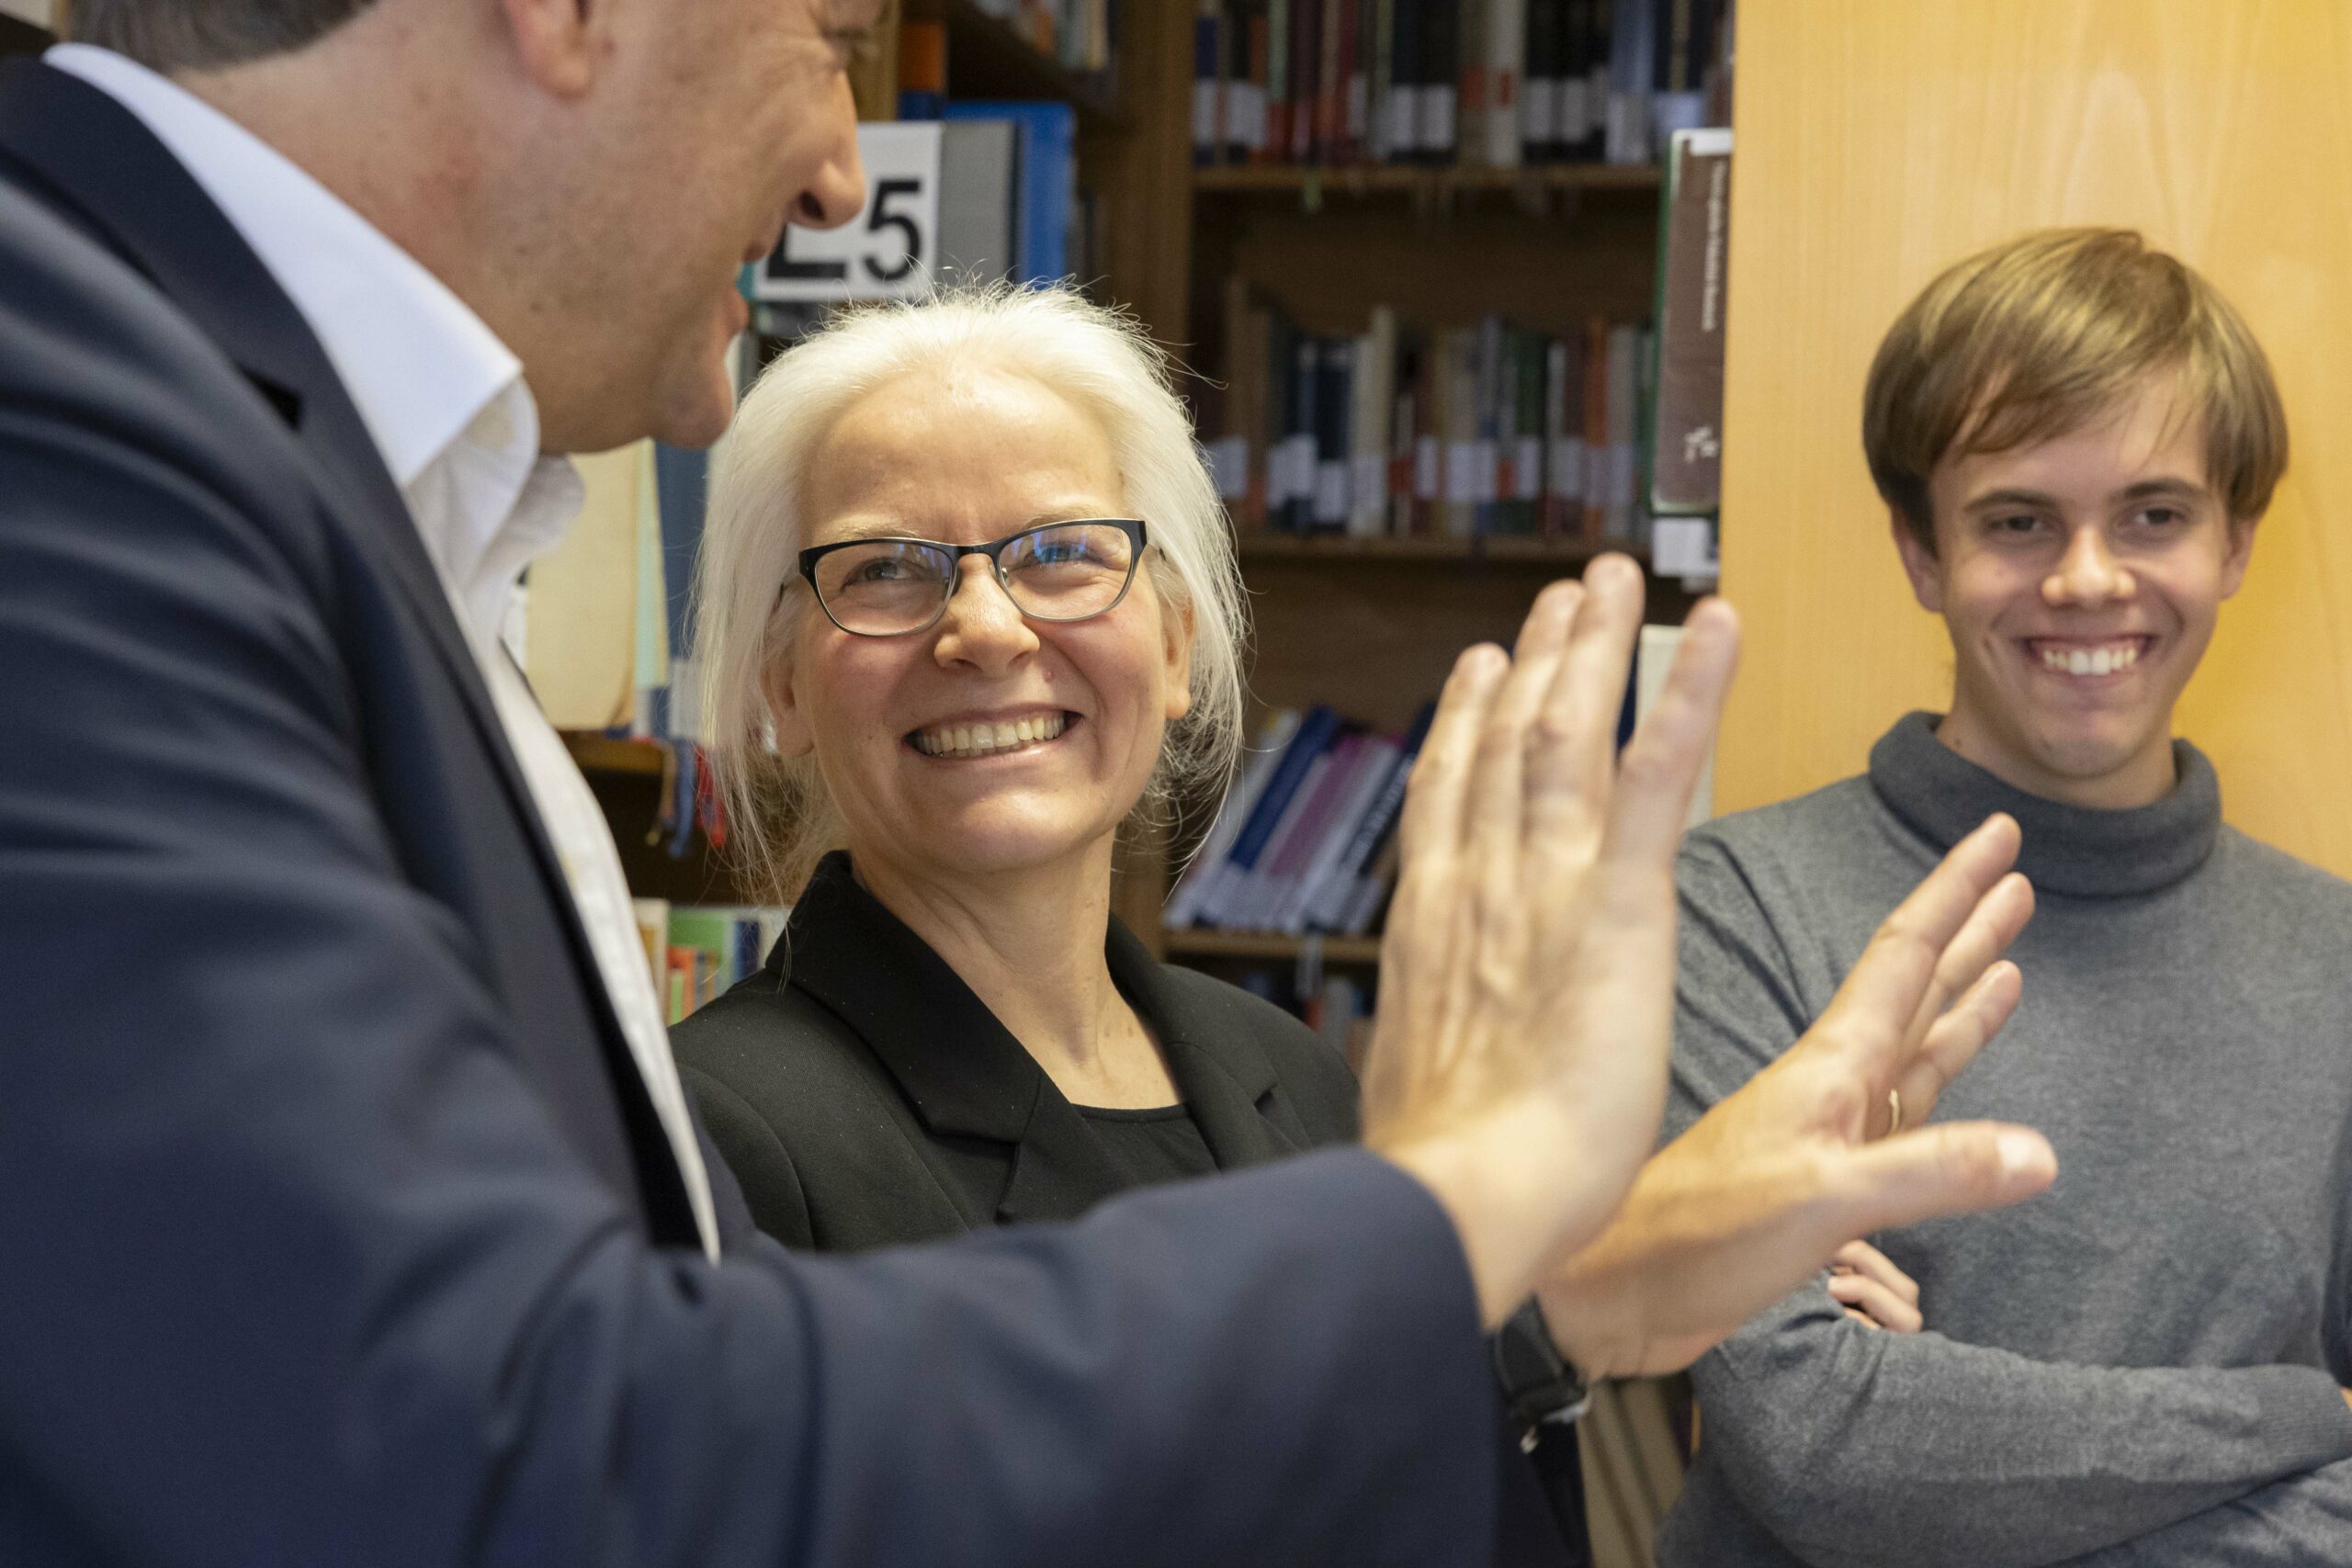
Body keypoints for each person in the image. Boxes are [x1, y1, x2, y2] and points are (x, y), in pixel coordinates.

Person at [0, 4, 2054, 1562]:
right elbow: (504, 1448)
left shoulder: (270, 461)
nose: (836, 174)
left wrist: (1546, 1285)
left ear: (1184, 644)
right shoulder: (70, 426)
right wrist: (1472, 1200)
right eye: (824, 32)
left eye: (1062, 555)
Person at [672, 284, 1601, 1561]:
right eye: (887, 569)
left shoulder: (1291, 1075)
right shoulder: (720, 1138)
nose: (984, 629)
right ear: (780, 682)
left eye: (1059, 552)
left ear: (1174, 644)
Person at [1657, 227, 2352, 1567]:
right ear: (1922, 553)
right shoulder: (1732, 911)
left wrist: (1966, 1448)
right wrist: (2303, 1414)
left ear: (2237, 542)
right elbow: (1824, 1455)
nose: (2089, 578)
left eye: (2156, 513)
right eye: (2018, 520)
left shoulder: (2339, 958)